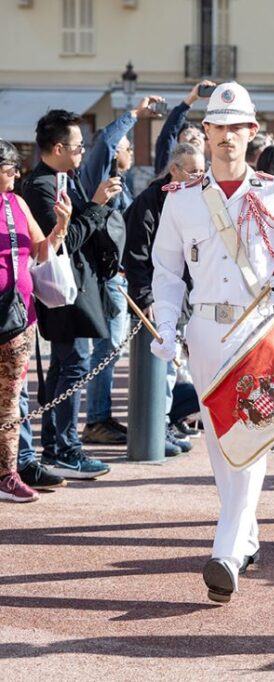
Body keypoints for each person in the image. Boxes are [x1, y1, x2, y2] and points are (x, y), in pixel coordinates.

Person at [150, 82, 274, 603]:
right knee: (219, 441)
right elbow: (165, 269)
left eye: (236, 128)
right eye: (218, 127)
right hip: (204, 330)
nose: (227, 138)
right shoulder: (181, 201)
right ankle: (245, 534)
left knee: (249, 433)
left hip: (254, 328)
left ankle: (225, 550)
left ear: (252, 133)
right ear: (205, 132)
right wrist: (164, 322)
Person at [21, 109, 124, 480]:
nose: (82, 152)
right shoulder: (40, 188)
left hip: (76, 288)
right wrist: (95, 205)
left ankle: (57, 446)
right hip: (60, 291)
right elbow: (60, 246)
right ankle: (65, 449)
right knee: (73, 365)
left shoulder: (66, 179)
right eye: (79, 146)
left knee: (65, 366)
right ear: (60, 147)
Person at [77, 96, 165, 448]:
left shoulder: (121, 184)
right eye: (128, 147)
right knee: (106, 348)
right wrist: (134, 115)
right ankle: (97, 420)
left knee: (110, 350)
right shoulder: (98, 175)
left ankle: (102, 416)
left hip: (119, 277)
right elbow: (105, 142)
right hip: (106, 279)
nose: (130, 152)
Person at [123, 142, 207, 457]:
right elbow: (137, 256)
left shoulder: (196, 198)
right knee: (162, 366)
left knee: (175, 368)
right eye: (194, 171)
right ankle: (155, 429)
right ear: (175, 169)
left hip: (185, 294)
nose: (200, 177)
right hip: (155, 298)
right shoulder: (149, 202)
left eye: (203, 171)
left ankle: (166, 423)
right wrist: (145, 298)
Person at [0, 140, 72, 502]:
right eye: (9, 167)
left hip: (17, 315)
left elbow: (42, 249)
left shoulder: (16, 203)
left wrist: (61, 225)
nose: (15, 173)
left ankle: (7, 474)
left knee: (13, 400)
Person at [153, 80, 216, 174]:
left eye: (199, 135)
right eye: (188, 133)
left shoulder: (213, 173)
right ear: (177, 143)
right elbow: (168, 134)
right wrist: (191, 98)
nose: (195, 137)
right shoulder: (169, 167)